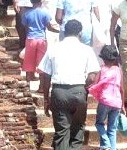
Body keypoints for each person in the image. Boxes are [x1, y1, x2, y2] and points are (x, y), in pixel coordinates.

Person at [37, 19, 101, 150]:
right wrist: (82, 88)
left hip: (59, 92)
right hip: (79, 90)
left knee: (61, 131)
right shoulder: (87, 50)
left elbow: (45, 75)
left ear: (65, 32)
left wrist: (45, 98)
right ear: (80, 33)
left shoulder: (54, 48)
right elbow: (92, 76)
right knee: (78, 128)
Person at [88, 45, 126, 150]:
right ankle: (111, 148)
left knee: (99, 123)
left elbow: (95, 84)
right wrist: (122, 105)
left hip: (105, 102)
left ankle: (106, 144)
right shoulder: (119, 70)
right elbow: (122, 89)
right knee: (112, 129)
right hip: (117, 103)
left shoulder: (101, 69)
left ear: (103, 57)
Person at [22, 0, 59, 92]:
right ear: (41, 2)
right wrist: (59, 31)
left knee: (28, 63)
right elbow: (49, 27)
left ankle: (26, 86)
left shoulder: (26, 13)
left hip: (30, 39)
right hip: (41, 40)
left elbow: (25, 27)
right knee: (42, 64)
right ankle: (41, 87)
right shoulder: (45, 13)